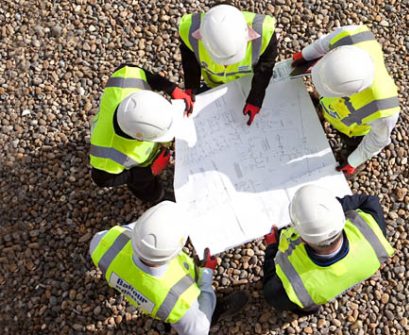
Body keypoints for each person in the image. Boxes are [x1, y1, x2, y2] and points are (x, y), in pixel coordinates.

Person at [89, 201, 248, 334]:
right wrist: (206, 274)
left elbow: (141, 231)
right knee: (204, 312)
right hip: (184, 311)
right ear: (177, 250)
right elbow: (198, 331)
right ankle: (216, 311)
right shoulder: (184, 304)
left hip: (146, 294)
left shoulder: (101, 243)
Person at [261, 185, 394, 315]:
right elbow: (369, 200)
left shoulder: (293, 289)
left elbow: (271, 293)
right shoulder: (374, 236)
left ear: (302, 238)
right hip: (354, 272)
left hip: (307, 296)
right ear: (341, 217)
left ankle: (308, 309)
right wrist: (325, 215)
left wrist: (272, 247)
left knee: (301, 304)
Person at [291, 25, 400, 177]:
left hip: (353, 130)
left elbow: (377, 140)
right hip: (330, 105)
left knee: (352, 153)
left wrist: (353, 161)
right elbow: (322, 45)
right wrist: (305, 55)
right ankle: (321, 110)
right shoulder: (352, 35)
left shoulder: (383, 110)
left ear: (352, 92)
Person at [89, 64, 195, 203]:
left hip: (116, 122)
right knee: (143, 186)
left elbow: (137, 71)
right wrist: (147, 172)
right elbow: (102, 180)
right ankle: (158, 198)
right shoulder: (107, 156)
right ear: (139, 139)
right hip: (138, 166)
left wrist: (171, 88)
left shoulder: (125, 80)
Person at [178, 4, 278, 126]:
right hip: (214, 84)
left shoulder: (265, 32)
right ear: (200, 36)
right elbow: (189, 59)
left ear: (248, 35)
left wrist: (255, 98)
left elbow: (265, 67)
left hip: (246, 85)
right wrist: (191, 87)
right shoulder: (188, 31)